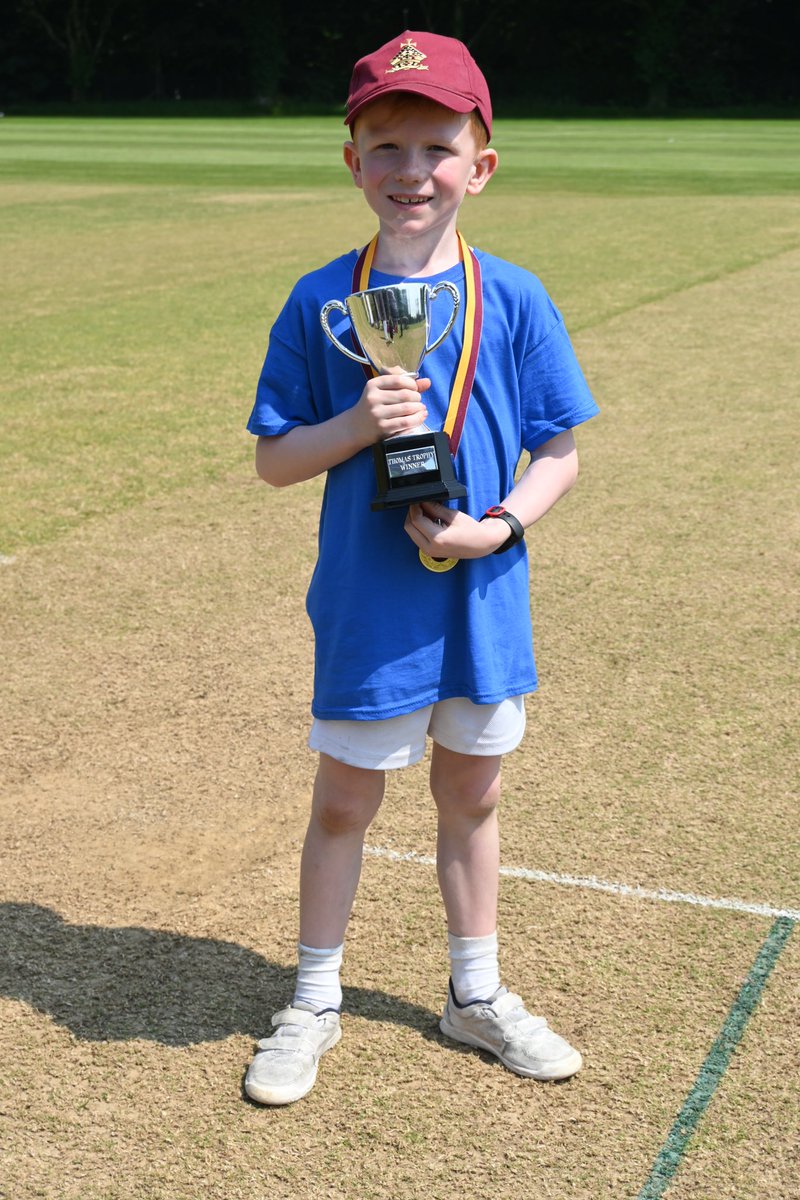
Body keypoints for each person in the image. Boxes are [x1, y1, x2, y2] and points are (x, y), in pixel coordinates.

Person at [244, 30, 599, 1106]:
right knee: (347, 803)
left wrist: (493, 528)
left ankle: (473, 993)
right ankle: (310, 1000)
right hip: (368, 605)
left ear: (478, 164)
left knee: (471, 797)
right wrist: (354, 422)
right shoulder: (320, 302)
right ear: (351, 161)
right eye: (385, 145)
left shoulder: (518, 297)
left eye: (436, 147)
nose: (411, 171)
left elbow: (559, 452)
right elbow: (272, 460)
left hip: (481, 598)